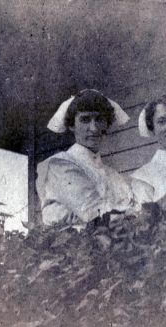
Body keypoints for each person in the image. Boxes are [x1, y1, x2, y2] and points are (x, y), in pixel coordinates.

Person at [36, 89, 136, 225]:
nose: (94, 128)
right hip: (73, 243)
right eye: (85, 120)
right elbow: (93, 212)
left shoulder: (113, 175)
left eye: (99, 119)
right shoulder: (60, 164)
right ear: (71, 125)